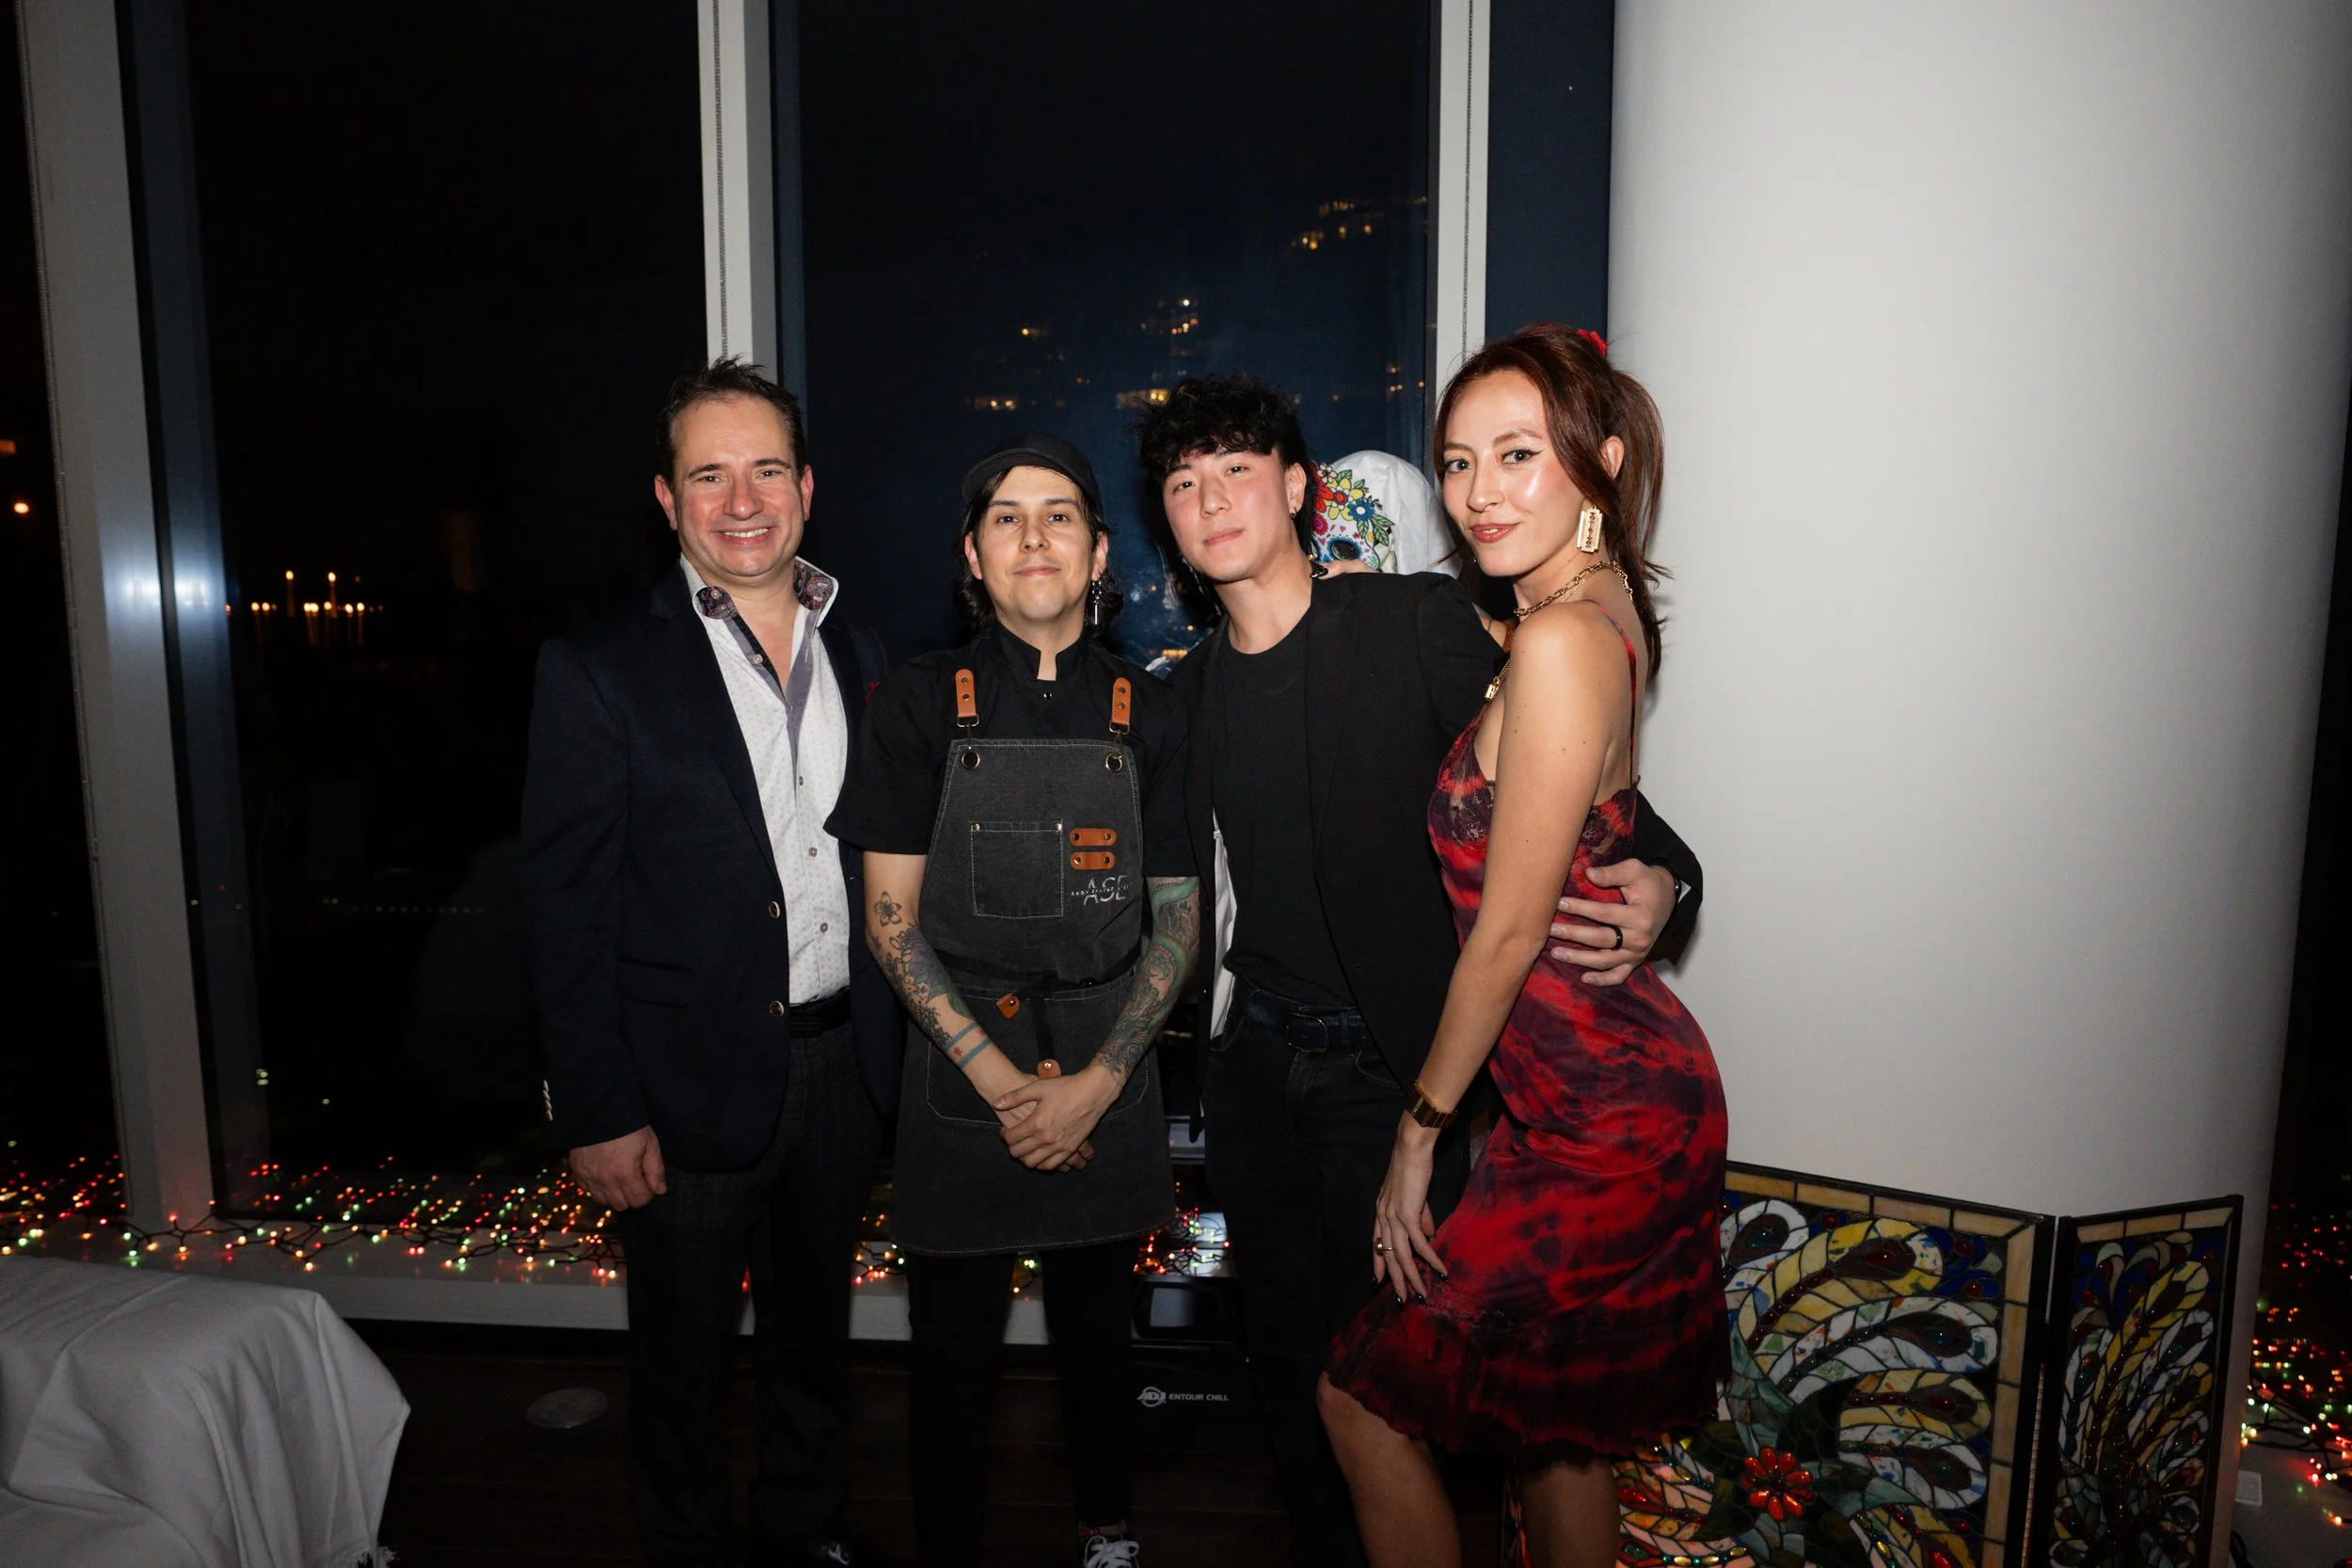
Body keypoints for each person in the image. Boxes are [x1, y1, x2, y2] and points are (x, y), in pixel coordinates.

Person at [1137, 375, 1706, 1568]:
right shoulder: (1178, 695)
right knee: (1295, 1373)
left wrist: (1669, 879)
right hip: (1254, 1075)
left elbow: (1580, 788)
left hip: (1391, 1073)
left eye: (1237, 468)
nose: (1211, 498)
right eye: (1183, 483)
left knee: (1409, 1389)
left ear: (1298, 488)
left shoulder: (1410, 623)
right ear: (1169, 526)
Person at [1317, 325, 1729, 1568]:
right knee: (1558, 1432)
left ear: (1598, 462)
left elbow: (1505, 930)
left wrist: (1418, 1130)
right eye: (1455, 460)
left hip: (1605, 1109)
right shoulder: (1577, 614)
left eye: (1516, 454)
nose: (1479, 489)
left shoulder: (1556, 638)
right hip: (1583, 1095)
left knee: (1361, 1396)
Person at [519, 358, 897, 1568]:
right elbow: (563, 909)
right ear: (667, 498)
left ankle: (804, 1526)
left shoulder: (867, 651)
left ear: (805, 486)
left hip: (844, 1064)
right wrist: (598, 1105)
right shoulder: (596, 669)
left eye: (766, 468)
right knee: (680, 1359)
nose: (743, 498)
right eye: (709, 474)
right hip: (679, 1088)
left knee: (812, 1340)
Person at [826, 434, 1199, 1568]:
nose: (1033, 535)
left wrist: (1093, 1083)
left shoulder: (1153, 708)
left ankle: (1108, 1531)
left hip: (1110, 1076)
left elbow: (1179, 920)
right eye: (1006, 517)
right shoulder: (918, 705)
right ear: (973, 559)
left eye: (1059, 516)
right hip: (957, 1084)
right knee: (950, 1359)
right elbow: (888, 922)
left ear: (1098, 557)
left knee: (1099, 1342)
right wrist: (1000, 1085)